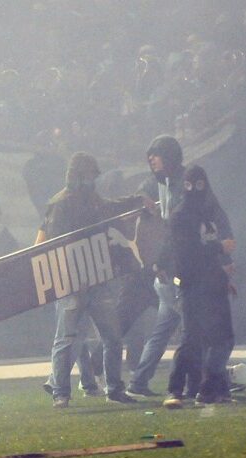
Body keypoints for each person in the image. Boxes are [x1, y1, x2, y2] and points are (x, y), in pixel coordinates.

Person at [125, 135, 234, 407]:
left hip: (184, 269)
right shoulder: (159, 184)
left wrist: (224, 257)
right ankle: (193, 386)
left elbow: (215, 219)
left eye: (156, 154)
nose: (151, 160)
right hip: (181, 271)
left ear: (170, 156)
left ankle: (156, 382)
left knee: (175, 329)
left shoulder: (187, 184)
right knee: (191, 332)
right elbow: (176, 234)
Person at [36, 152, 148, 408]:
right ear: (78, 176)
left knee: (112, 336)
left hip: (97, 279)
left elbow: (109, 207)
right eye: (89, 177)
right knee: (66, 338)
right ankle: (61, 392)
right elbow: (50, 245)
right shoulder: (60, 204)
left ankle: (114, 389)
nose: (92, 181)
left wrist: (135, 201)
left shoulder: (91, 199)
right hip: (72, 283)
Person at [156, 166, 235, 406]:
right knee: (192, 339)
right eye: (193, 185)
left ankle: (211, 388)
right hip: (191, 283)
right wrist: (220, 248)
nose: (197, 190)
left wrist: (224, 275)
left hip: (213, 282)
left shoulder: (208, 212)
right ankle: (175, 390)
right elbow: (187, 252)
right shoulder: (180, 216)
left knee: (222, 338)